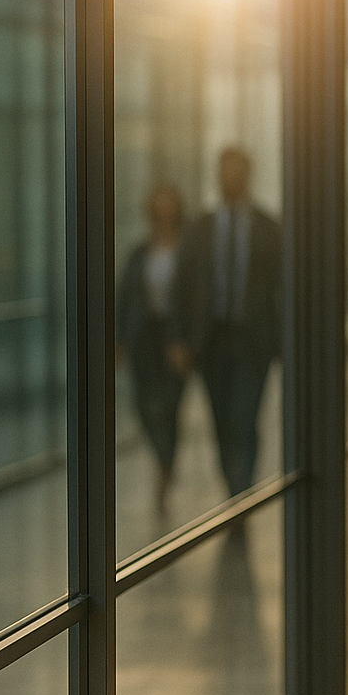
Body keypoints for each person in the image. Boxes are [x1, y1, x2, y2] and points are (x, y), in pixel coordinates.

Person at [178, 146, 282, 498]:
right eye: (225, 171)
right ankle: (232, 484)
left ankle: (242, 491)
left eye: (237, 171)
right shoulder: (200, 228)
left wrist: (283, 342)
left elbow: (282, 289)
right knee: (221, 420)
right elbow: (184, 285)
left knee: (245, 418)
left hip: (254, 340)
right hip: (212, 340)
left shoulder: (269, 229)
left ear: (248, 176)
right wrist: (180, 339)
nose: (230, 178)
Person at [117, 181, 190, 513]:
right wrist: (117, 341)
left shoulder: (186, 250)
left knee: (171, 406)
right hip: (144, 339)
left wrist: (188, 342)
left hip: (174, 340)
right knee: (144, 405)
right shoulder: (140, 252)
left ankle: (164, 471)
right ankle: (163, 461)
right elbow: (124, 299)